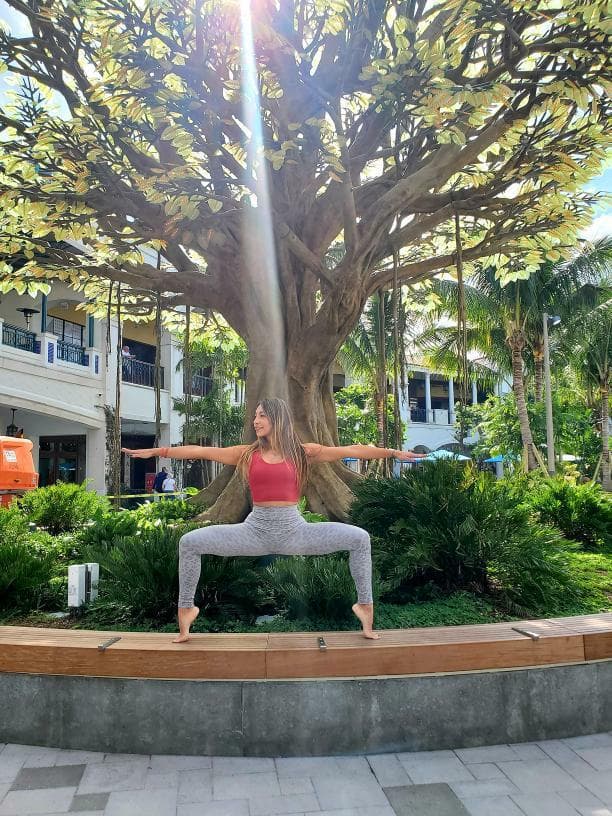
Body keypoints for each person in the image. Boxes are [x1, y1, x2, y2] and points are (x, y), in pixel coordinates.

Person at [122, 398, 426, 644]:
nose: (256, 421)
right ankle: (187, 612)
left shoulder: (302, 452)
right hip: (254, 531)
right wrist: (158, 451)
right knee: (189, 543)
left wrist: (392, 452)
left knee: (360, 538)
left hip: (296, 531)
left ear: (277, 418)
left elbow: (351, 450)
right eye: (255, 416)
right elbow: (203, 451)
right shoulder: (246, 454)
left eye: (262, 416)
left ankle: (364, 607)